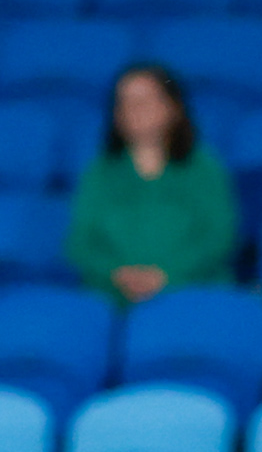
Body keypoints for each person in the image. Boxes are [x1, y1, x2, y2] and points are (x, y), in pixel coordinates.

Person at [66, 61, 238, 305]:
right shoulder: (99, 172)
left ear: (173, 107)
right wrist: (118, 275)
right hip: (113, 300)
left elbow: (219, 237)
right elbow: (80, 244)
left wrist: (166, 276)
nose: (133, 110)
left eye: (144, 100)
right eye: (124, 102)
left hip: (192, 296)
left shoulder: (205, 169)